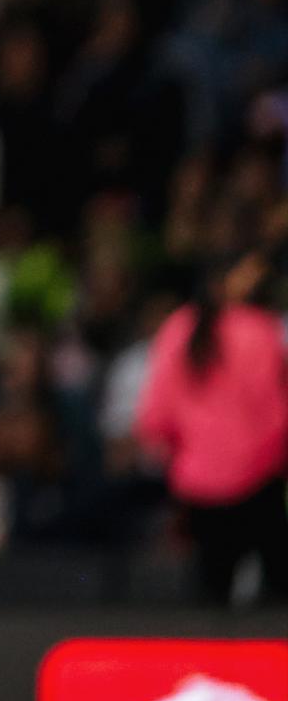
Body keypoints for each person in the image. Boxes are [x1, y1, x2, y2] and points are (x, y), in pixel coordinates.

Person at [134, 253, 288, 604]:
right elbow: (277, 415)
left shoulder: (178, 328)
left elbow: (156, 417)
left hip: (197, 489)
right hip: (258, 483)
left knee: (209, 604)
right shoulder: (259, 330)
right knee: (278, 602)